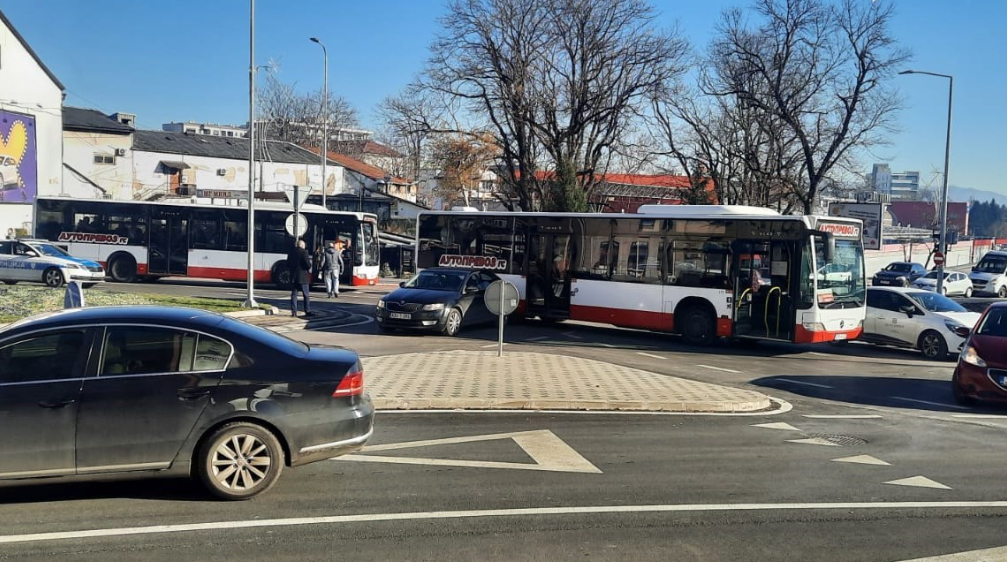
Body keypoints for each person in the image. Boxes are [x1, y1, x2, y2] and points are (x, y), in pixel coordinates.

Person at [287, 238, 313, 317]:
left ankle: (294, 312)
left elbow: (287, 264)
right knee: (306, 295)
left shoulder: (291, 252)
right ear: (302, 245)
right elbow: (308, 265)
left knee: (294, 295)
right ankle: (307, 311)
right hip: (303, 277)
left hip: (294, 277)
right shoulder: (304, 252)